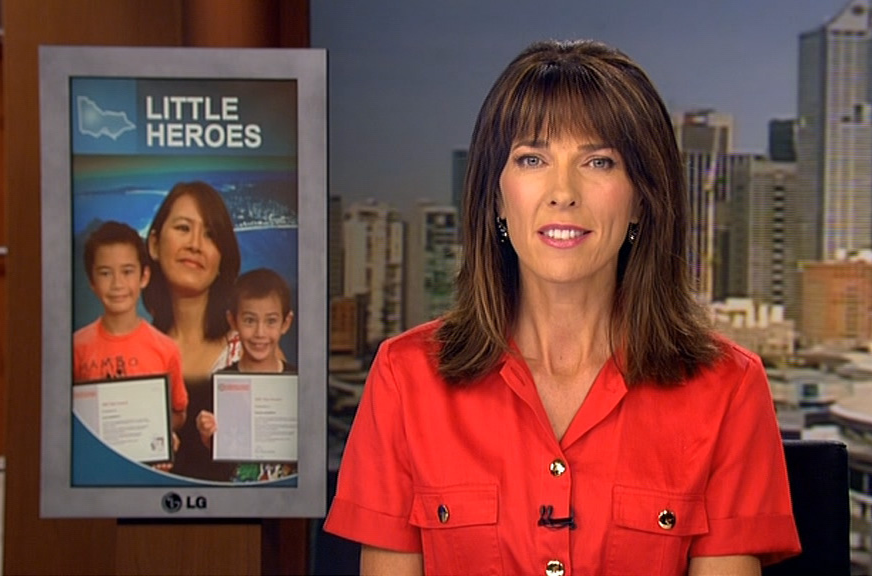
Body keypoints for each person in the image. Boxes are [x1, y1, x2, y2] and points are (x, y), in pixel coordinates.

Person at [324, 40, 801, 575]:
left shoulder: (727, 389)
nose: (563, 192)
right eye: (532, 159)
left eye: (598, 162)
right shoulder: (406, 379)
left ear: (641, 198)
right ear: (496, 197)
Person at [143, 181, 242, 480]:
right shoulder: (134, 350)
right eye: (183, 228)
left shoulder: (251, 351)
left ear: (222, 259)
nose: (195, 245)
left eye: (210, 235)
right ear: (154, 244)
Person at [73, 220, 187, 468]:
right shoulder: (76, 347)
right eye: (105, 273)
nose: (117, 284)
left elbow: (179, 412)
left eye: (127, 272)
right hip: (96, 470)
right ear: (92, 281)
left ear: (144, 276)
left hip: (148, 473)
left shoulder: (166, 348)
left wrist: (162, 434)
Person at [197, 267, 298, 482]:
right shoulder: (217, 385)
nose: (260, 333)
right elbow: (211, 462)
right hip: (235, 497)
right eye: (250, 321)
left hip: (285, 497)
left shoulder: (299, 384)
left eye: (271, 321)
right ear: (233, 321)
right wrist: (206, 436)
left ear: (286, 323)